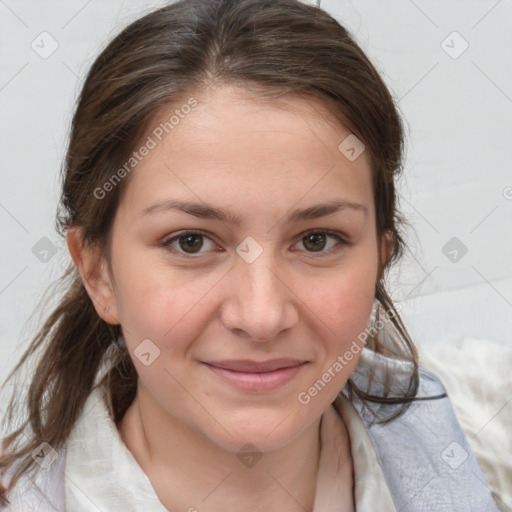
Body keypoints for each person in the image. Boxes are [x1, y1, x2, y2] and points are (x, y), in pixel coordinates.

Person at [0, 0, 510, 510]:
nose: (262, 316)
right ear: (98, 272)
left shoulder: (461, 438)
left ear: (380, 258)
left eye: (317, 240)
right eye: (191, 242)